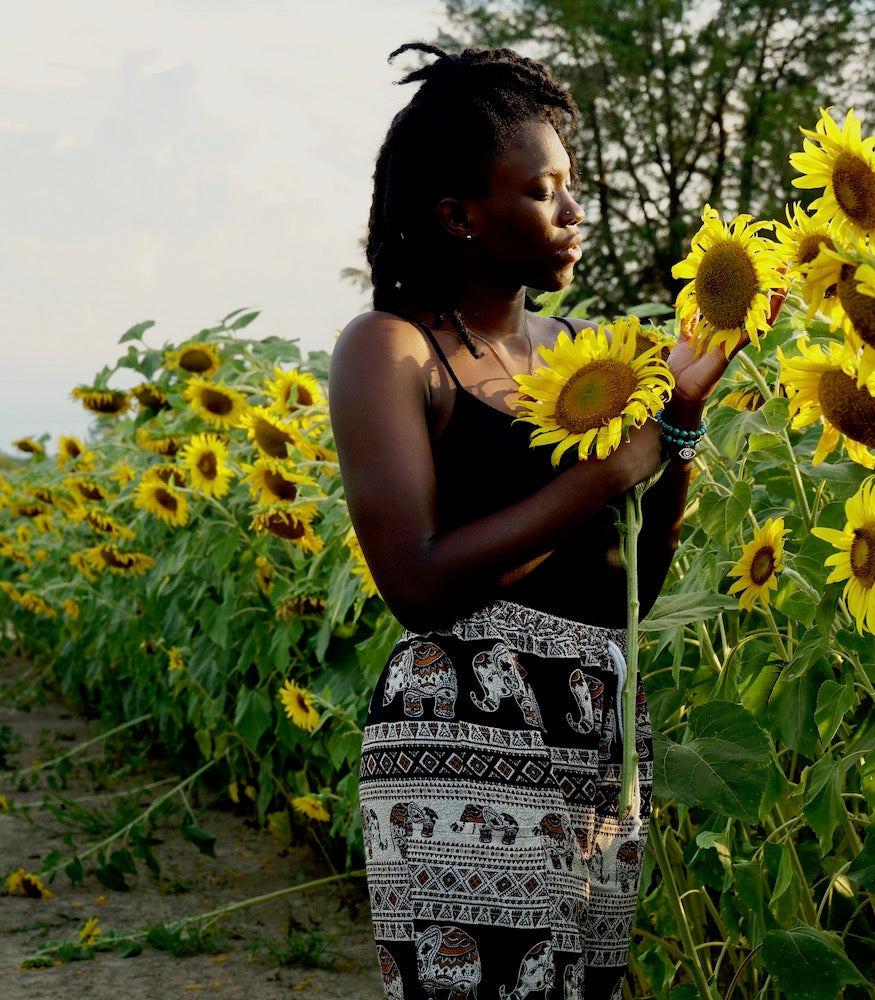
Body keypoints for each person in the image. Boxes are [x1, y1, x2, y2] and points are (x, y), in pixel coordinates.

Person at [329, 41, 767, 1000]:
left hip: (597, 728)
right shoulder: (390, 349)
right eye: (543, 192)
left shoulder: (584, 356)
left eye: (573, 186)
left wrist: (680, 423)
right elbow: (416, 581)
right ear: (461, 216)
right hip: (462, 731)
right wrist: (608, 471)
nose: (575, 214)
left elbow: (631, 592)